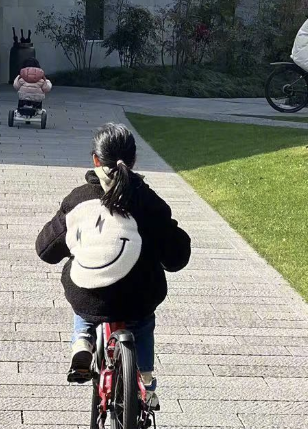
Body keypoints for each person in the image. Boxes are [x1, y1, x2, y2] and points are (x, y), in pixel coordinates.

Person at [35, 123, 191, 409]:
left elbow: (46, 250)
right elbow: (177, 256)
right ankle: (144, 378)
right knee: (143, 322)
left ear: (96, 159)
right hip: (138, 298)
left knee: (84, 297)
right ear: (133, 160)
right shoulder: (148, 200)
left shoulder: (77, 199)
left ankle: (82, 339)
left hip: (90, 296)